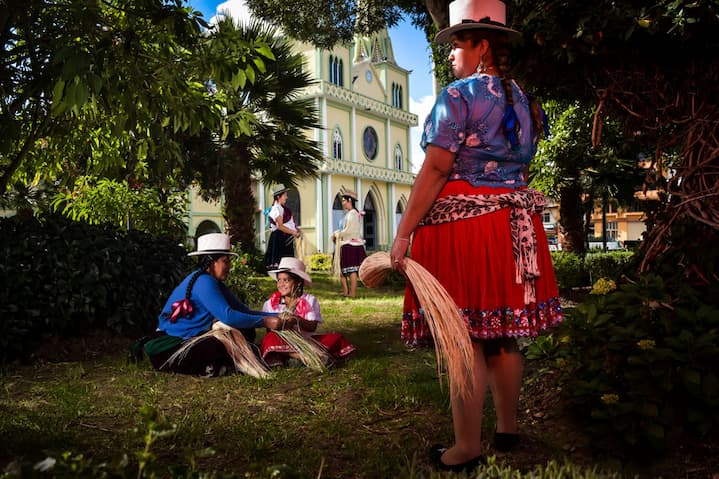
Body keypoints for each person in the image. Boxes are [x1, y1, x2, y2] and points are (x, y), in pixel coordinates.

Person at [388, 0, 563, 472]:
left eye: (458, 43)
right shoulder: (525, 101)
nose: (449, 54)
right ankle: (506, 429)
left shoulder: (459, 96)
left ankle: (466, 447)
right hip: (514, 226)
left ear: (482, 46)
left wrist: (404, 233)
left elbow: (438, 167)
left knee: (464, 334)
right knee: (503, 335)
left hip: (467, 227)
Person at [145, 233, 283, 376]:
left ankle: (221, 364)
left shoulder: (214, 282)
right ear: (211, 262)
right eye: (225, 261)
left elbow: (242, 311)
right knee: (214, 346)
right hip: (169, 348)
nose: (229, 266)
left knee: (247, 330)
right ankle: (219, 365)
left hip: (190, 339)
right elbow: (228, 316)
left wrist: (278, 316)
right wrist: (266, 321)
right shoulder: (204, 281)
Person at [260, 257, 356, 367]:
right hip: (283, 340)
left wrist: (296, 320)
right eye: (279, 280)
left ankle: (288, 357)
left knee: (336, 338)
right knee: (270, 338)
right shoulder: (270, 303)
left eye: (286, 280)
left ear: (298, 283)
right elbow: (269, 329)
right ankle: (306, 357)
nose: (281, 284)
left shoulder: (309, 300)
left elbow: (312, 327)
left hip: (305, 339)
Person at [332, 190, 367, 297]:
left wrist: (337, 234)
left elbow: (348, 231)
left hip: (351, 244)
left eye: (344, 201)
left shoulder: (353, 214)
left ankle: (352, 293)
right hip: (346, 243)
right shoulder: (350, 214)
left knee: (352, 270)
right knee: (342, 269)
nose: (342, 203)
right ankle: (346, 292)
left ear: (349, 201)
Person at [264, 186, 301, 271]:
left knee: (287, 264)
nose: (286, 197)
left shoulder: (281, 208)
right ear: (278, 197)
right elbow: (280, 226)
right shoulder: (276, 209)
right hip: (279, 238)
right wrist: (293, 232)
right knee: (281, 263)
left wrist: (295, 230)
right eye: (285, 195)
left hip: (284, 237)